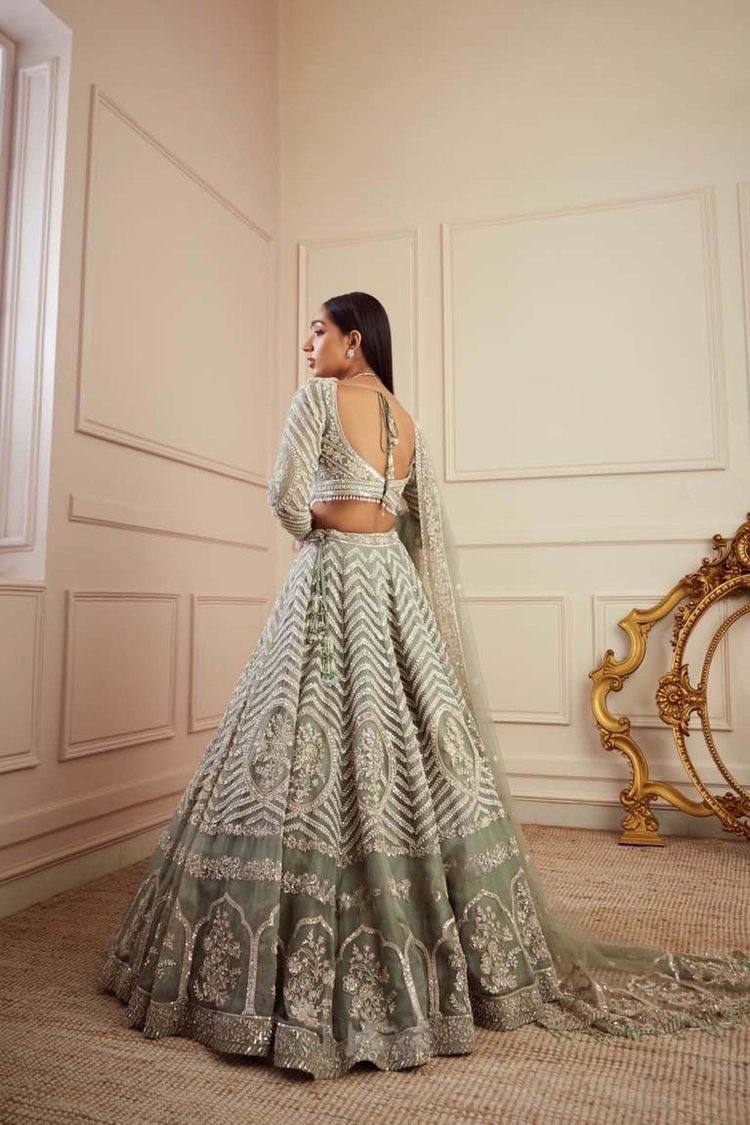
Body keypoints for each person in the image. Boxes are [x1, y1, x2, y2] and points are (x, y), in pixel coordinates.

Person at [99, 291, 750, 1081]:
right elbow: (416, 529)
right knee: (412, 757)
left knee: (295, 754)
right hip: (393, 591)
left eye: (318, 331)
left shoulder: (315, 400)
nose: (308, 345)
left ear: (353, 340)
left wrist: (319, 526)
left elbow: (284, 498)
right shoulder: (408, 421)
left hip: (332, 583)